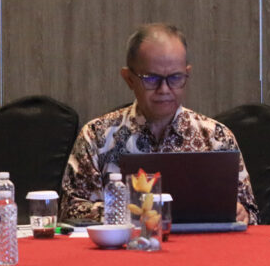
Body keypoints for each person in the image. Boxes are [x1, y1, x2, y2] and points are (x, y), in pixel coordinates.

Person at [61, 23, 258, 224]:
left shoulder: (216, 137)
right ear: (129, 79)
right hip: (125, 243)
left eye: (175, 78)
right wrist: (135, 211)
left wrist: (242, 214)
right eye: (151, 78)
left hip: (199, 243)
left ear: (187, 73)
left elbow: (252, 214)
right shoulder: (96, 136)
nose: (164, 89)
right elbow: (71, 211)